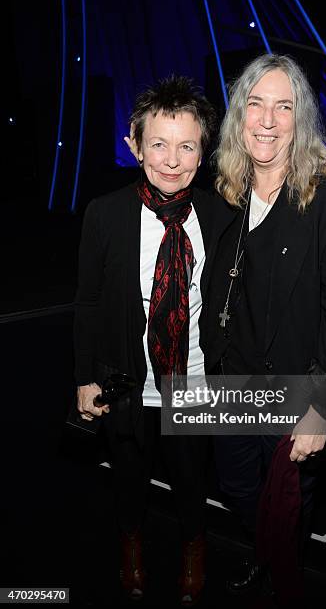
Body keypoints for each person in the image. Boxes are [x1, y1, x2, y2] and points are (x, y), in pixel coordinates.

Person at [200, 53, 326, 605]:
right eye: (256, 104)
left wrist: (322, 410)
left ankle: (280, 571)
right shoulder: (223, 197)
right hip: (232, 387)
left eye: (284, 107)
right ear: (238, 115)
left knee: (290, 501)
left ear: (302, 122)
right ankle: (265, 553)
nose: (267, 120)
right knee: (240, 488)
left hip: (297, 396)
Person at [74, 75, 227, 606]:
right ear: (134, 145)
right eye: (157, 143)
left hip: (195, 381)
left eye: (187, 145)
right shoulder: (105, 214)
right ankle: (131, 545)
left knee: (190, 478)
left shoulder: (220, 216)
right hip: (125, 383)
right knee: (130, 480)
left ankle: (193, 548)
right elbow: (89, 303)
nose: (171, 159)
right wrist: (85, 378)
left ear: (203, 151)